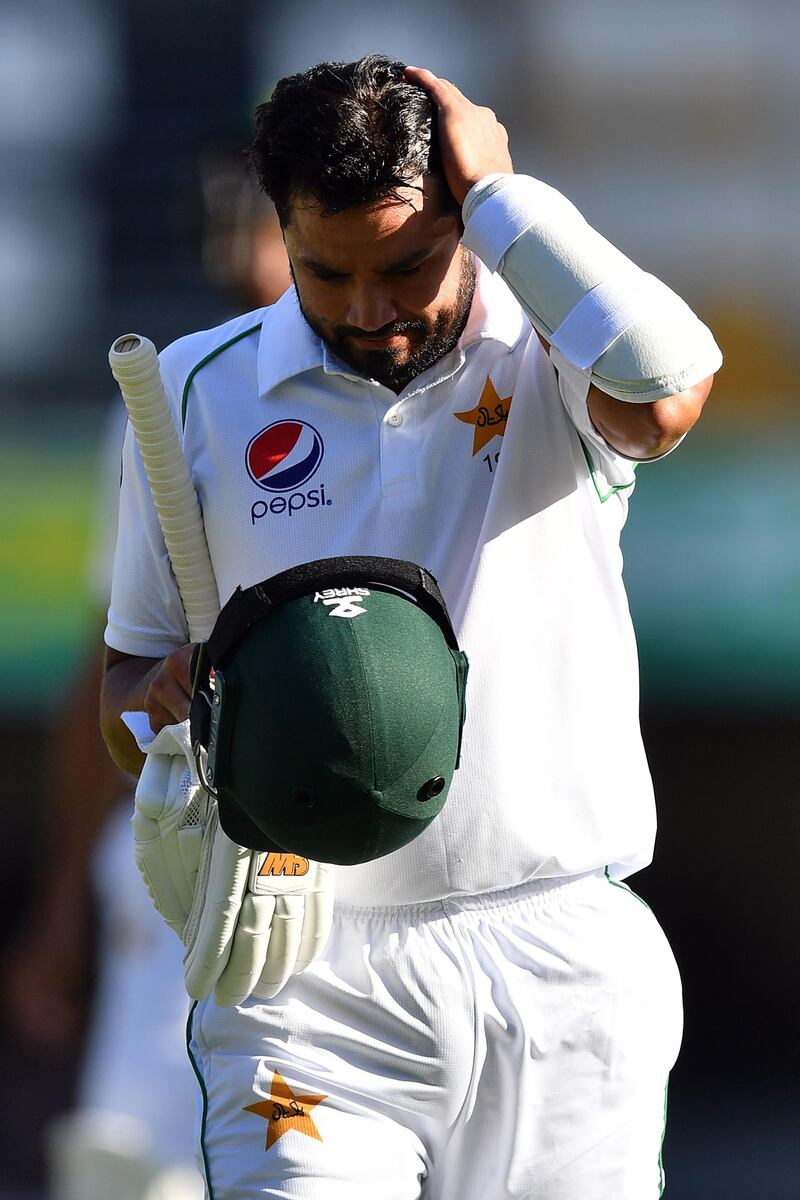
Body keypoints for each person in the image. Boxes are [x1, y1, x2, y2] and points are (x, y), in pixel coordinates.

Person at [101, 55, 721, 1200]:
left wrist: (504, 200)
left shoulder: (549, 353)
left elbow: (670, 382)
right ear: (280, 227)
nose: (368, 311)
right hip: (304, 978)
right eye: (324, 271)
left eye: (407, 265)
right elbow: (128, 671)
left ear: (459, 218)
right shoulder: (193, 391)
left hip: (562, 960)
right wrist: (186, 713)